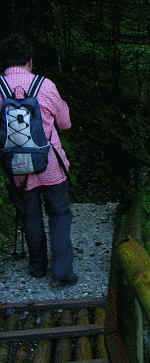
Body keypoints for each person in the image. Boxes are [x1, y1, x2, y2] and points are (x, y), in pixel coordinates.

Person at [0, 34, 77, 286]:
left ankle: (37, 267)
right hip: (50, 164)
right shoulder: (45, 85)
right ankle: (62, 271)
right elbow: (65, 124)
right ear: (30, 61)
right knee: (59, 213)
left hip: (16, 167)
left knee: (30, 215)